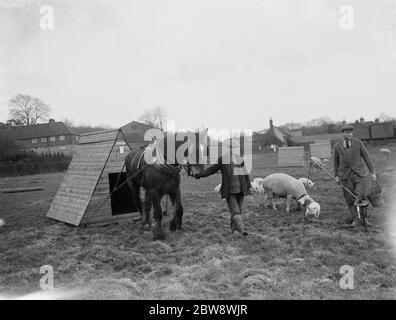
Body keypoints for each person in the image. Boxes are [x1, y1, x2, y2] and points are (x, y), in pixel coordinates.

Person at [195, 138, 251, 235]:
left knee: (238, 213)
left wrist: (249, 186)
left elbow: (245, 174)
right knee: (236, 212)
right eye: (231, 147)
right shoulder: (223, 159)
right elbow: (212, 169)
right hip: (229, 191)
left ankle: (234, 231)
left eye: (234, 147)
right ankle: (242, 231)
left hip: (241, 190)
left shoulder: (239, 159)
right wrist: (201, 174)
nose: (233, 149)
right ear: (228, 148)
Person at [333, 124, 376, 227]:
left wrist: (372, 172)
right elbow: (335, 162)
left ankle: (365, 219)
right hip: (345, 177)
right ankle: (356, 219)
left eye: (350, 132)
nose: (349, 134)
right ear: (342, 133)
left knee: (362, 196)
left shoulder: (358, 143)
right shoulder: (337, 146)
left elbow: (367, 157)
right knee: (350, 199)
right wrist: (336, 176)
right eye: (347, 132)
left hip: (359, 175)